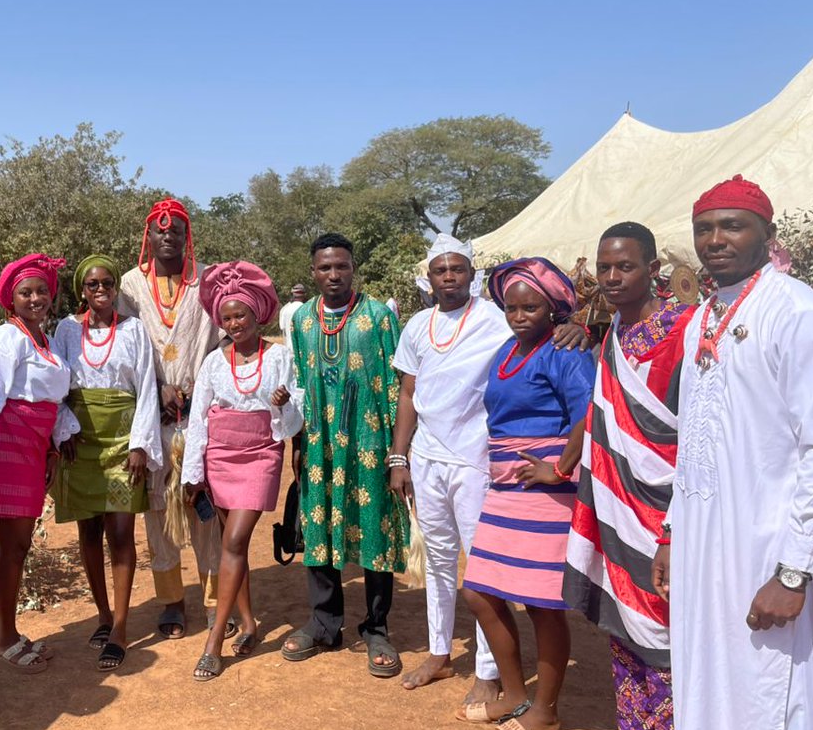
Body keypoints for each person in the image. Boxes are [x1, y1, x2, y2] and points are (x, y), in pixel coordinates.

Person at [652, 176, 813, 730]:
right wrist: (673, 532)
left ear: (767, 233)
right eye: (704, 228)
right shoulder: (706, 315)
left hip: (770, 550)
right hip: (704, 548)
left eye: (732, 226)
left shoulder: (800, 312)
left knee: (777, 698)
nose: (715, 240)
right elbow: (693, 443)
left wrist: (795, 572)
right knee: (709, 685)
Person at [390, 235, 589, 703]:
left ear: (472, 273)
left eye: (457, 268)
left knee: (483, 569)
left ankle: (487, 670)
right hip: (427, 456)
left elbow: (543, 325)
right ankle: (439, 653)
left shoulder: (498, 318)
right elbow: (408, 393)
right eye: (440, 270)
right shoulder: (417, 325)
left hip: (479, 459)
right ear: (429, 277)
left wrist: (576, 328)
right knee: (439, 559)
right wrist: (400, 456)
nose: (449, 277)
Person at [564, 223, 693, 730]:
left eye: (626, 266)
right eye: (605, 267)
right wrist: (562, 468)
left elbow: (698, 431)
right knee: (625, 631)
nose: (612, 277)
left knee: (668, 633)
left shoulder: (686, 329)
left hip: (670, 508)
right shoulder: (612, 330)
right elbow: (600, 413)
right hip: (618, 505)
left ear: (653, 269)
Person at [459, 257, 595, 730]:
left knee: (541, 605)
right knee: (479, 591)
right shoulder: (507, 350)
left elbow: (589, 413)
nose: (519, 316)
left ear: (553, 309)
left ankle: (546, 712)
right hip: (505, 490)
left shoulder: (565, 350)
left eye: (531, 308)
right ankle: (516, 695)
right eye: (512, 308)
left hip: (545, 495)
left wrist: (559, 469)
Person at [282, 233, 408, 677]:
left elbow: (397, 386)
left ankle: (376, 627)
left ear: (354, 268)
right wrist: (299, 442)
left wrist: (398, 453)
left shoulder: (378, 317)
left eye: (341, 266)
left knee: (374, 528)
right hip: (320, 444)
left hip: (369, 443)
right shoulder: (301, 321)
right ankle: (324, 623)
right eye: (325, 267)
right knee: (318, 525)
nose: (333, 274)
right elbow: (300, 383)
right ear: (313, 272)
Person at [182, 261, 304, 681]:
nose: (234, 324)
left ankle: (214, 642)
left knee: (233, 542)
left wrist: (283, 404)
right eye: (228, 318)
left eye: (241, 315)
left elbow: (294, 422)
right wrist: (193, 472)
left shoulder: (280, 357)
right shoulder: (214, 362)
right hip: (219, 455)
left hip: (260, 454)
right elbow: (199, 418)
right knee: (231, 545)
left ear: (258, 314)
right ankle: (249, 623)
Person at [117, 198, 226, 640]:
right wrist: (157, 385)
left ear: (186, 236)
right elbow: (124, 342)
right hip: (151, 412)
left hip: (200, 411)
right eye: (160, 230)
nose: (167, 236)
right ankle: (171, 602)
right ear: (149, 236)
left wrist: (203, 385)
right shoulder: (129, 284)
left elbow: (224, 337)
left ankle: (216, 600)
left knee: (204, 510)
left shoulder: (207, 281)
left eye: (176, 230)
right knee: (158, 514)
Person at [54, 254, 162, 672]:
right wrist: (63, 427)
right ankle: (102, 613)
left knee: (120, 532)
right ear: (82, 290)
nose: (101, 290)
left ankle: (119, 627)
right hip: (80, 442)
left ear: (116, 287)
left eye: (107, 283)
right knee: (89, 532)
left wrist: (140, 444)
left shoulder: (133, 329)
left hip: (122, 441)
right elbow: (57, 383)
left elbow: (147, 387)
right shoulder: (66, 329)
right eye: (92, 284)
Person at [0, 253, 78, 673]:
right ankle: (3, 636)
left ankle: (9, 631)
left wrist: (52, 449)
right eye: (26, 292)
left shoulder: (47, 341)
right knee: (12, 547)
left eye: (41, 291)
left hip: (35, 448)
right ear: (11, 299)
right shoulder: (6, 338)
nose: (35, 298)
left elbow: (52, 401)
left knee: (18, 546)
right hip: (7, 448)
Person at [278, 283, 308, 349]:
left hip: (289, 349)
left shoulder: (285, 309)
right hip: (303, 349)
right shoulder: (307, 309)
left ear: (293, 294)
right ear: (304, 295)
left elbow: (282, 327)